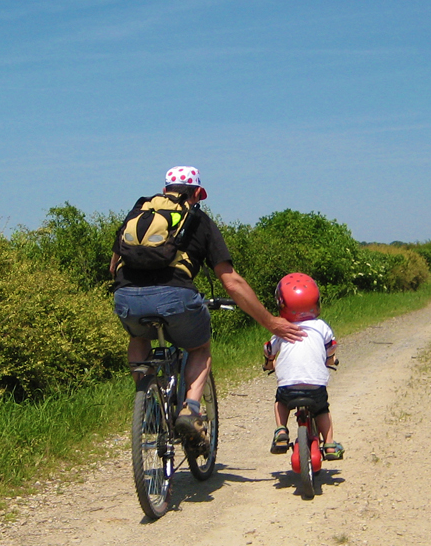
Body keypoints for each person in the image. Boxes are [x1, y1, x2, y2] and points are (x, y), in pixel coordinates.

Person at [111, 166, 304, 440]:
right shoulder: (198, 220)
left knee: (138, 336)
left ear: (165, 190)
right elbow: (231, 282)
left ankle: (150, 405)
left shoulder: (138, 212)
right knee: (199, 347)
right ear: (197, 193)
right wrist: (270, 322)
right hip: (176, 298)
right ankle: (190, 409)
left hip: (126, 298)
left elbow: (113, 267)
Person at [262, 273, 344, 461]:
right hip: (315, 386)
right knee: (322, 409)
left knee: (280, 402)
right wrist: (330, 360)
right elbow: (331, 346)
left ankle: (281, 430)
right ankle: (330, 445)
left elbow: (269, 349)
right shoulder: (320, 326)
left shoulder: (282, 328)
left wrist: (268, 363)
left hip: (288, 387)